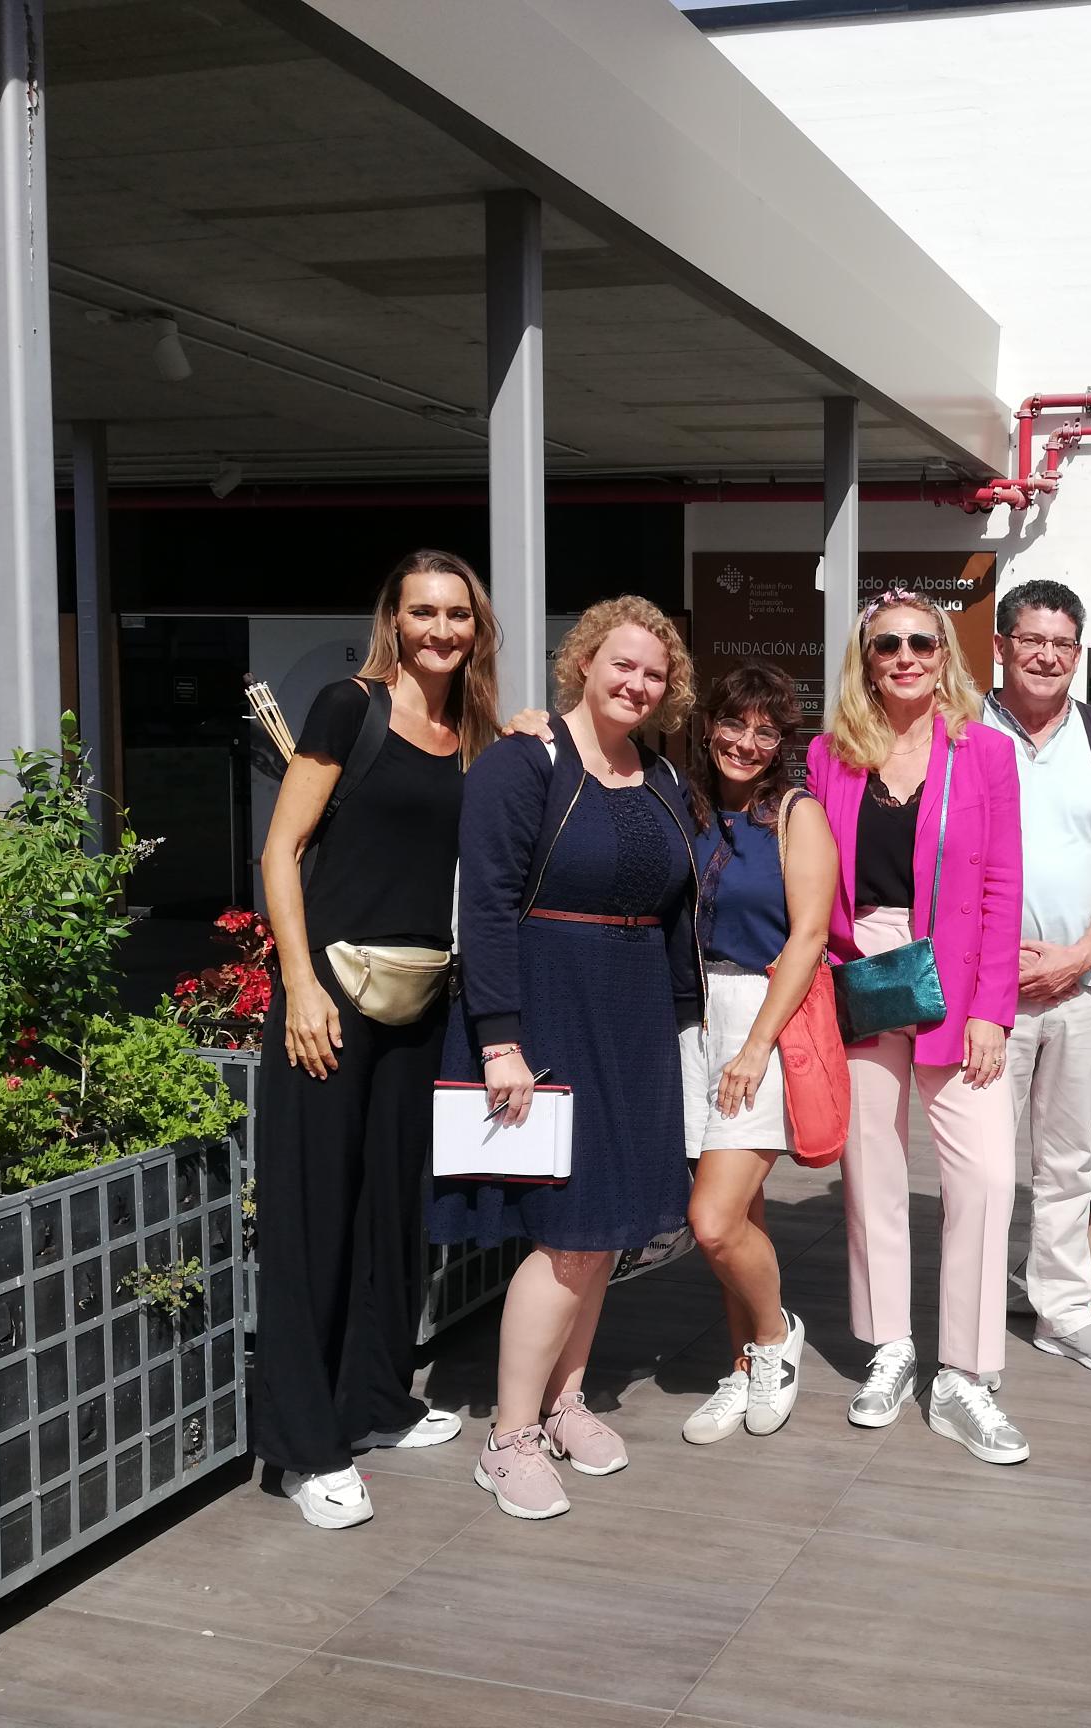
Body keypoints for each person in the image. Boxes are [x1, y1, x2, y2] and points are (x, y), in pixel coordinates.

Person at [433, 595, 700, 1518]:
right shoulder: (524, 761)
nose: (637, 683)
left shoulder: (661, 774)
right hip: (549, 1010)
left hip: (634, 1019)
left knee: (608, 1230)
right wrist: (500, 1037)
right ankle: (507, 1438)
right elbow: (486, 904)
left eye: (655, 673)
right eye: (622, 663)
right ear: (584, 661)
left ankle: (564, 1400)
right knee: (570, 1232)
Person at [251, 549, 498, 1529]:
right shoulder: (347, 706)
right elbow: (281, 850)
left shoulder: (467, 729)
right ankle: (306, 1448)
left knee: (391, 1209)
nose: (440, 630)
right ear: (394, 618)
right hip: (331, 996)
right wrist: (299, 984)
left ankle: (375, 1401)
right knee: (313, 1217)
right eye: (423, 612)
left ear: (476, 628)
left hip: (416, 995)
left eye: (457, 615)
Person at [805, 589, 1027, 1464]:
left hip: (958, 975)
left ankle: (964, 1373)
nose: (905, 657)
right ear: (865, 660)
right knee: (872, 1172)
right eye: (887, 644)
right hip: (861, 973)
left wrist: (992, 1011)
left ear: (945, 655)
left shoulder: (985, 753)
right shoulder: (830, 754)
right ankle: (890, 1343)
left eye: (921, 644)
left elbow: (1002, 888)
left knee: (986, 1178)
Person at [982, 580, 1091, 1377]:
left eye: (1062, 643)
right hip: (988, 999)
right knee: (981, 1167)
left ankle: (1062, 1311)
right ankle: (974, 1313)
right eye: (1032, 639)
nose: (1047, 655)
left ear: (1077, 654)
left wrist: (1081, 955)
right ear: (1001, 645)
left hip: (1082, 989)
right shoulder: (960, 732)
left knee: (1067, 1161)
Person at [675, 666, 838, 1444]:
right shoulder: (686, 804)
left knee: (711, 1221)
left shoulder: (795, 814)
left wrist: (755, 1046)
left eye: (765, 731)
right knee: (741, 1213)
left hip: (763, 1015)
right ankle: (741, 1369)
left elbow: (809, 937)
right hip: (690, 1017)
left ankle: (775, 1335)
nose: (746, 742)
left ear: (782, 743)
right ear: (708, 725)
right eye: (734, 724)